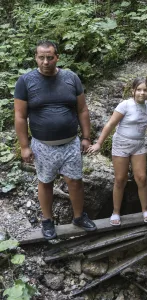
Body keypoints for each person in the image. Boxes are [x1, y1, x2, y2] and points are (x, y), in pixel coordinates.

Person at [14, 40, 97, 240]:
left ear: (57, 57)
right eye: (41, 57)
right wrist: (24, 146)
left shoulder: (71, 78)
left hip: (70, 142)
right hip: (43, 145)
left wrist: (86, 137)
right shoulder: (25, 81)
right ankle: (47, 220)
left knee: (75, 181)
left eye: (50, 57)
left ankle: (78, 217)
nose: (45, 62)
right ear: (36, 58)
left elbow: (82, 109)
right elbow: (19, 116)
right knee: (45, 182)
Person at [87, 78, 147, 226]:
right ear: (133, 91)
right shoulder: (125, 105)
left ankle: (145, 209)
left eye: (145, 90)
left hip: (139, 145)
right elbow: (111, 124)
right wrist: (99, 143)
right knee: (120, 179)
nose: (142, 93)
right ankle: (116, 212)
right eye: (139, 89)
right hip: (121, 144)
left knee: (142, 178)